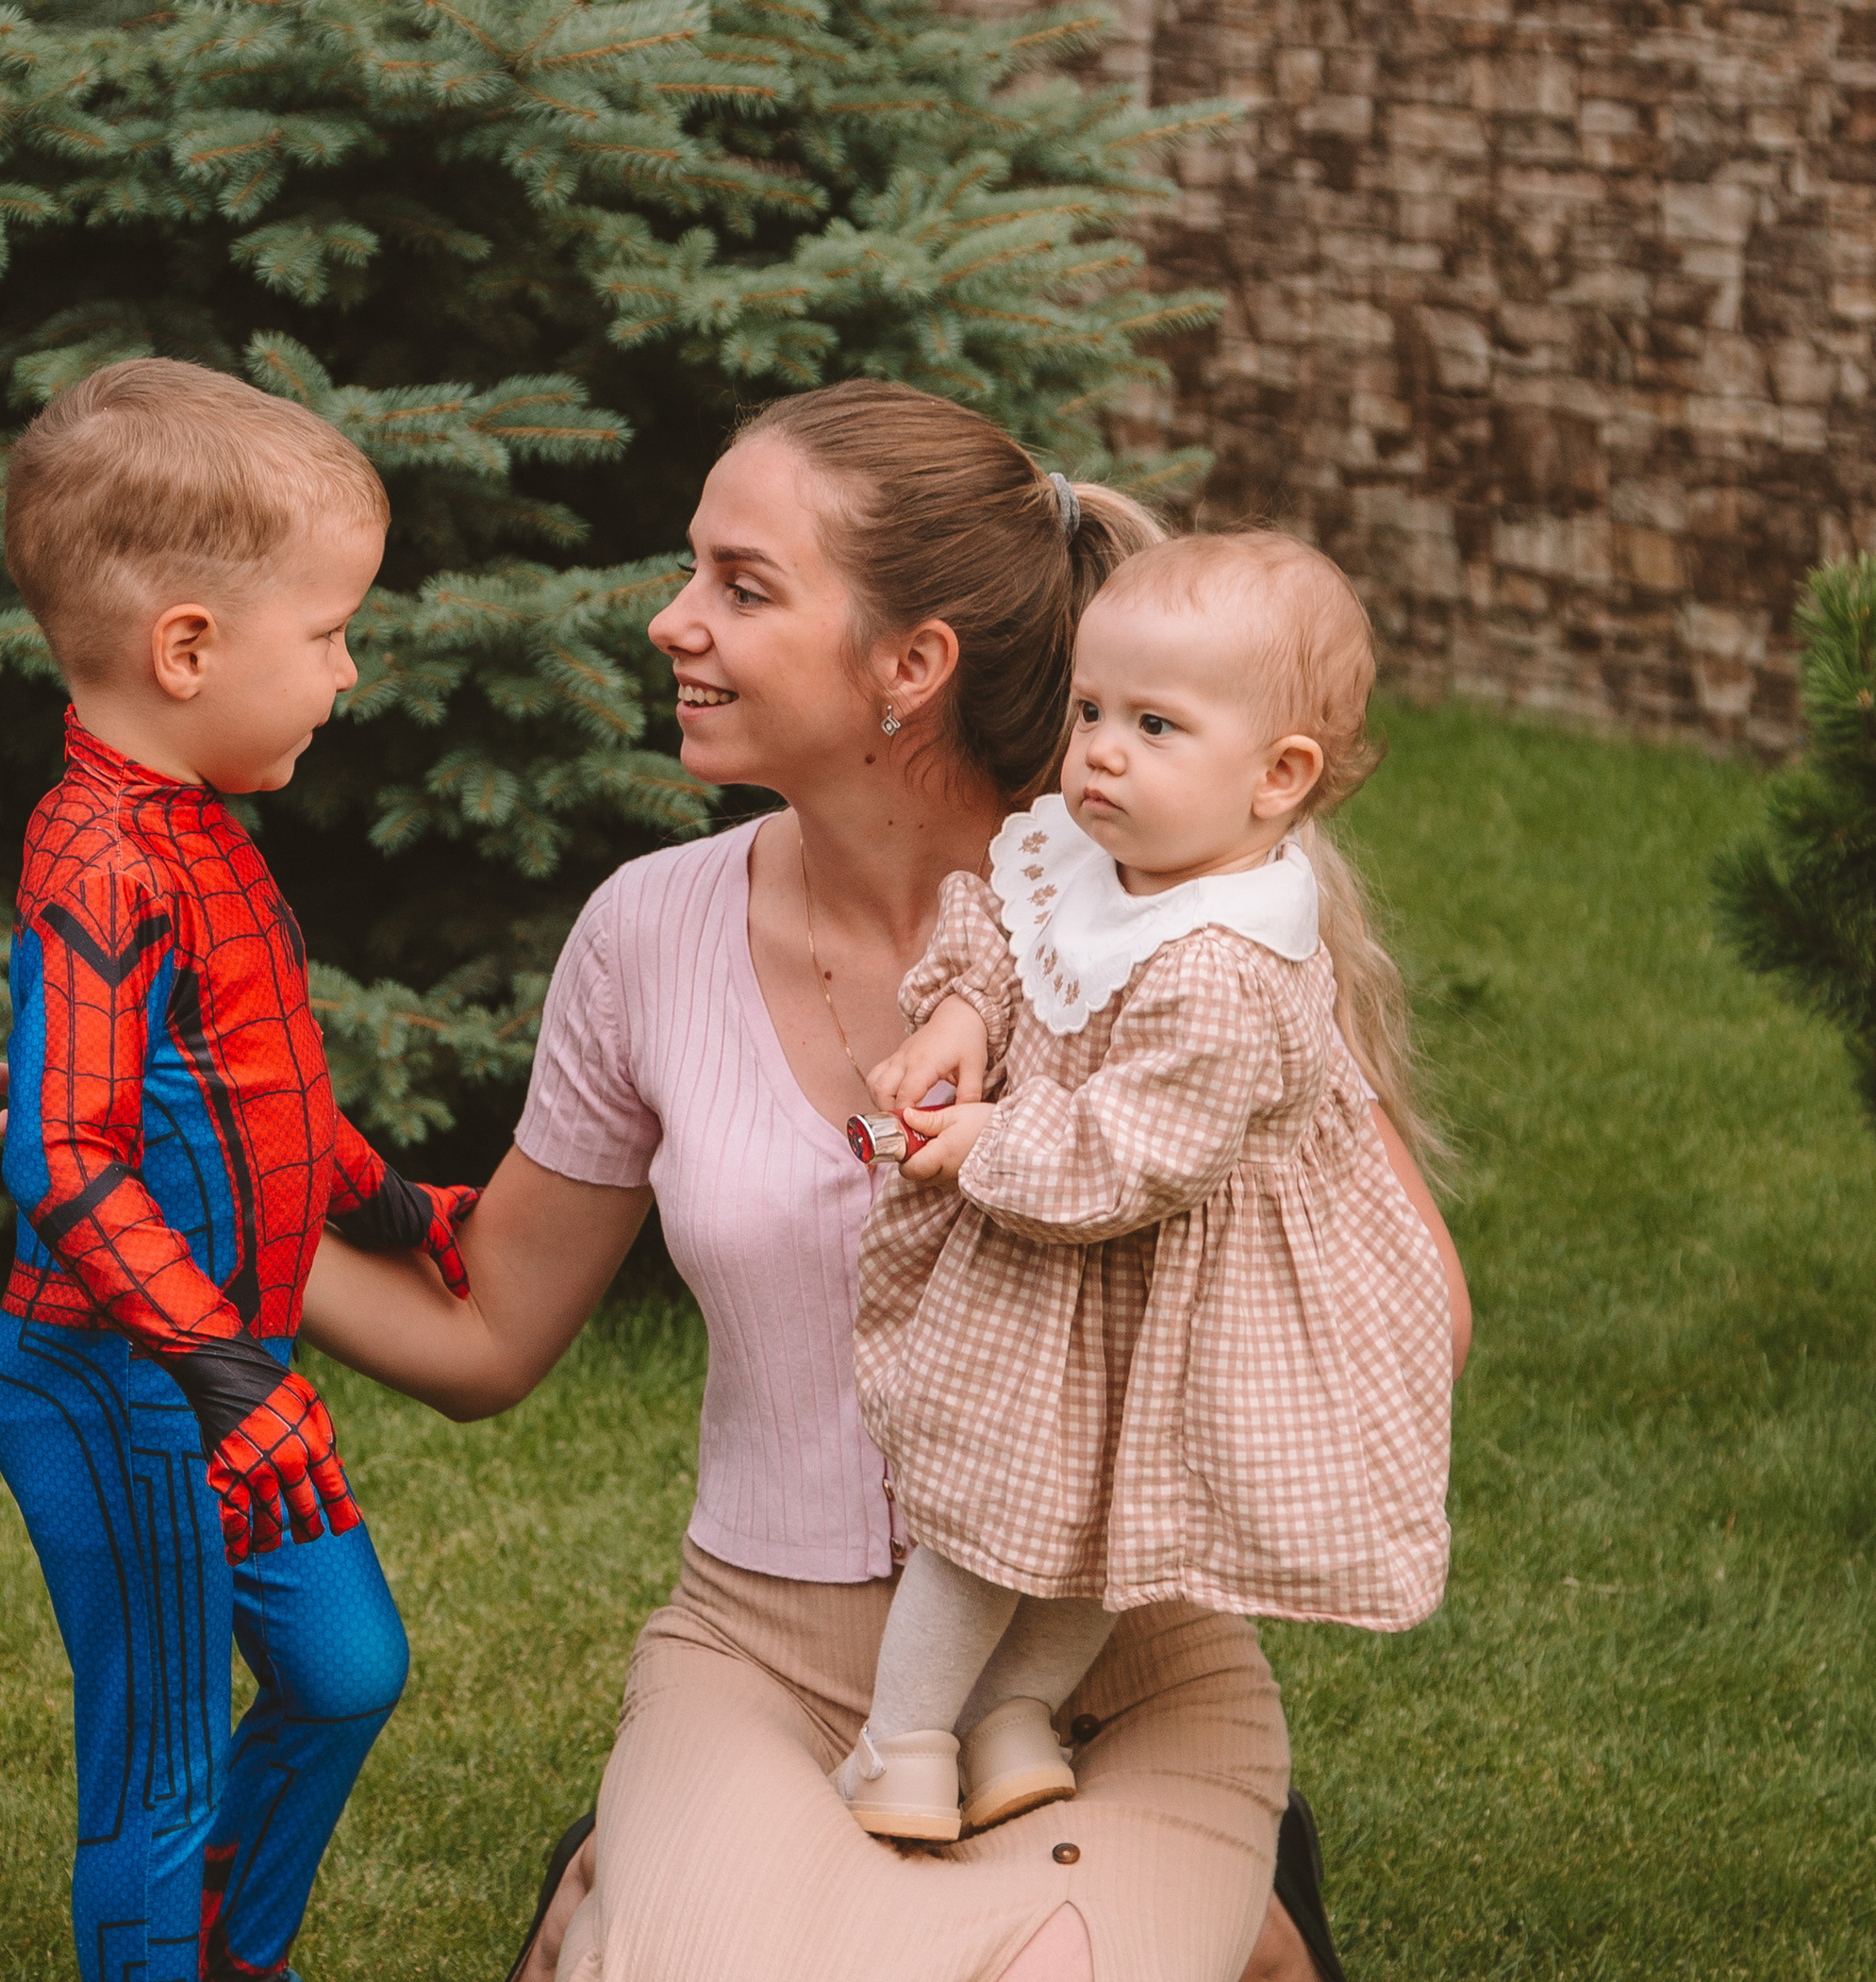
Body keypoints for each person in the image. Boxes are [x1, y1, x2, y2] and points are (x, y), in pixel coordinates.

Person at [274, 381, 1474, 1982]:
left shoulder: (1170, 946)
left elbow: (1423, 1318)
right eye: (692, 571)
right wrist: (188, 1211)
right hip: (770, 1656)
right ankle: (666, 1861)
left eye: (741, 587)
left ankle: (1213, 1890)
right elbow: (487, 1335)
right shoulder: (648, 935)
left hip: (1100, 1681)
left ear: (911, 668)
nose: (669, 623)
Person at [830, 529, 1455, 1844]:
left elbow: (1135, 1156)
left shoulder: (1228, 969)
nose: (1102, 750)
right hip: (1063, 1274)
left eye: (1156, 725)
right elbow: (1011, 930)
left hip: (1157, 1282)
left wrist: (982, 1143)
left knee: (1102, 1522)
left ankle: (942, 1735)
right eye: (1094, 712)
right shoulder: (1090, 849)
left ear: (1278, 776)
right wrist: (958, 1014)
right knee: (996, 1513)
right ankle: (952, 1734)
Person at [0, 358, 479, 1982]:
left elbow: (258, 1096)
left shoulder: (203, 832)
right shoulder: (101, 856)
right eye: (331, 632)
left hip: (222, 1372)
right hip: (120, 1381)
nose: (348, 672)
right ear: (187, 649)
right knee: (163, 1756)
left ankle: (225, 1954)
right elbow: (62, 1155)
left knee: (344, 1671)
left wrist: (404, 1210)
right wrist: (221, 1379)